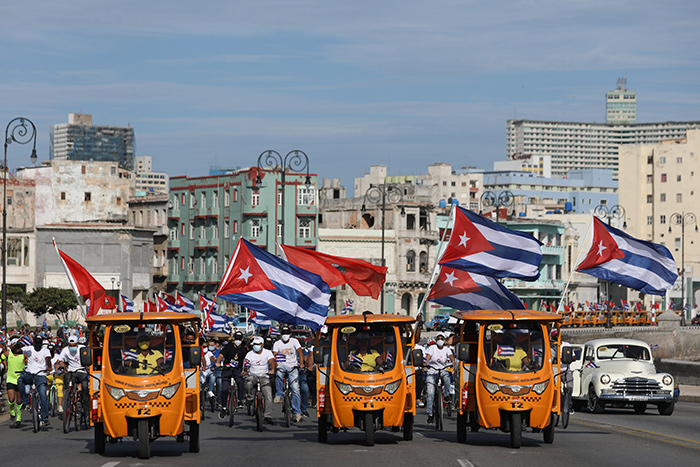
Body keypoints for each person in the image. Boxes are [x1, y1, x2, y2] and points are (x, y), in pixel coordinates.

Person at [272, 325, 304, 423]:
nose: (285, 336)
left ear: (290, 334)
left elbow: (300, 351)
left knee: (295, 389)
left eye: (286, 334)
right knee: (278, 375)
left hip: (293, 367)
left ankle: (297, 412)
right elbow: (274, 355)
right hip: (281, 366)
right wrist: (273, 366)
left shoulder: (294, 341)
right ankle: (279, 394)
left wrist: (301, 363)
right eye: (283, 334)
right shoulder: (277, 343)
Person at [18, 336, 52, 427]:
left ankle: (44, 418)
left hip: (41, 375)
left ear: (41, 344)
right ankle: (25, 401)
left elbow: (48, 359)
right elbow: (16, 351)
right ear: (33, 343)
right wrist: (18, 343)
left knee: (43, 396)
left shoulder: (45, 350)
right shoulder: (28, 349)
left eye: (39, 344)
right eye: (36, 343)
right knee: (20, 380)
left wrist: (49, 367)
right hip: (30, 374)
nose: (37, 346)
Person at [242, 335, 276, 425]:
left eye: (257, 344)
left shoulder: (268, 353)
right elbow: (246, 364)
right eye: (254, 344)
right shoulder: (249, 354)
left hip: (264, 376)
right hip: (252, 375)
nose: (255, 346)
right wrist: (245, 371)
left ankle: (267, 416)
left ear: (262, 344)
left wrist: (272, 370)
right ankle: (250, 399)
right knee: (248, 383)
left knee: (268, 395)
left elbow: (272, 361)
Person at [424, 333, 454, 424]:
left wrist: (453, 362)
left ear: (445, 340)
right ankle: (430, 414)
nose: (440, 340)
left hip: (443, 370)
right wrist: (425, 364)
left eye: (442, 338)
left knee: (447, 378)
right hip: (432, 371)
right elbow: (428, 357)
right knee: (430, 392)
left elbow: (451, 356)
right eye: (438, 338)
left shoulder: (447, 349)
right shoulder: (432, 348)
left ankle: (447, 396)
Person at [216, 331, 247, 417]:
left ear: (242, 340)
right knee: (224, 389)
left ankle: (240, 400)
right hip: (227, 369)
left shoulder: (244, 349)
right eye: (236, 339)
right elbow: (221, 355)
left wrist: (246, 369)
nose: (238, 341)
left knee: (240, 382)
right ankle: (224, 407)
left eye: (239, 339)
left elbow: (247, 359)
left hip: (238, 370)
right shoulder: (228, 347)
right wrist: (218, 362)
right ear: (233, 339)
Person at [59, 334, 90, 419]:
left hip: (81, 371)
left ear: (77, 344)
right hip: (71, 372)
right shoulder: (65, 350)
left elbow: (88, 358)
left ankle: (83, 401)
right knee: (68, 387)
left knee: (84, 387)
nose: (72, 347)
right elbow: (60, 360)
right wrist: (63, 366)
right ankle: (69, 404)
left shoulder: (82, 348)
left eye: (74, 345)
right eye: (70, 345)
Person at [4, 340, 25, 427]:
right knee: (11, 399)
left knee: (19, 401)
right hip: (10, 379)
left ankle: (19, 418)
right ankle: (12, 413)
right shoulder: (9, 354)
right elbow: (3, 355)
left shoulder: (24, 356)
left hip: (20, 380)